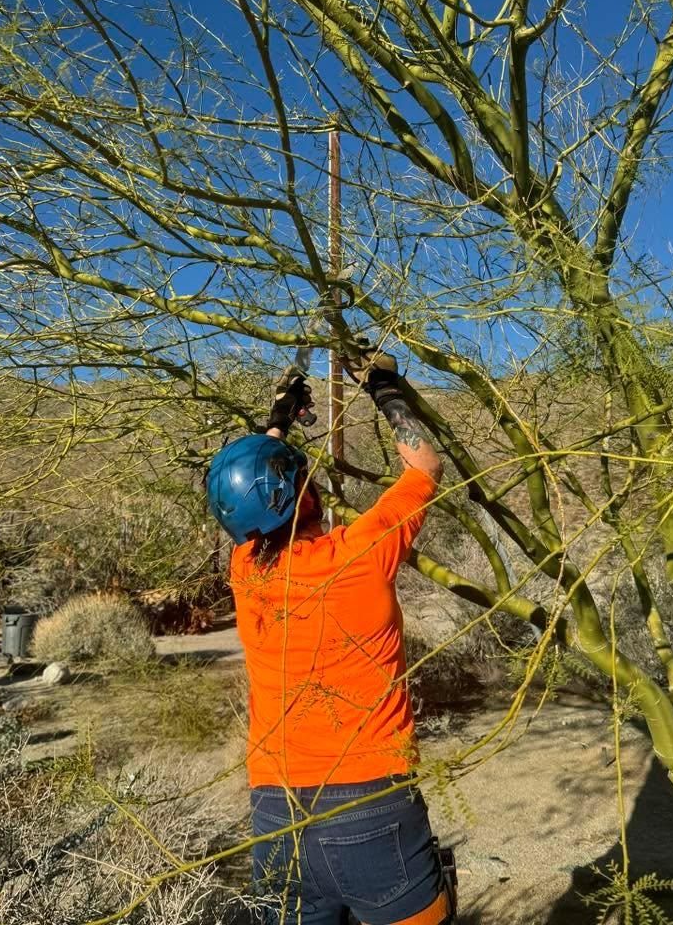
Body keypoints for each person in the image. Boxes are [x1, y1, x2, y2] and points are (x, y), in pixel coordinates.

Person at [207, 348, 453, 925]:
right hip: (372, 804)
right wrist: (384, 387)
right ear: (307, 493)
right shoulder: (361, 553)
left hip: (276, 813)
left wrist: (279, 416)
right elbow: (423, 466)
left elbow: (253, 489)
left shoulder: (246, 571)